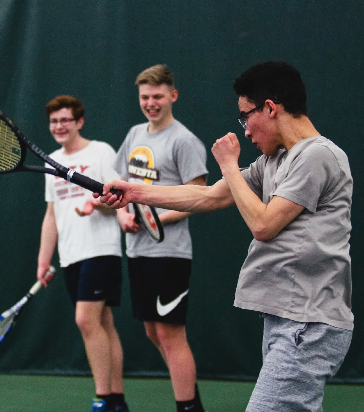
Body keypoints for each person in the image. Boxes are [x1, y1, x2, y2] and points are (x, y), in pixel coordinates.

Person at [99, 61, 354, 412]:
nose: (246, 132)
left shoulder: (317, 156)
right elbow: (209, 196)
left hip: (308, 323)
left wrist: (230, 165)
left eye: (245, 116)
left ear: (270, 107)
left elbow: (263, 225)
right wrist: (135, 192)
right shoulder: (274, 161)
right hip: (285, 318)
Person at [113, 64, 208, 412]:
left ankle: (187, 408)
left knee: (170, 335)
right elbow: (121, 185)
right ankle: (191, 400)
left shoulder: (184, 140)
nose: (151, 103)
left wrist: (156, 219)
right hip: (138, 253)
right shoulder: (135, 134)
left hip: (170, 254)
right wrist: (125, 215)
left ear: (173, 96)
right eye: (145, 97)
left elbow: (199, 196)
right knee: (154, 333)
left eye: (157, 96)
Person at [36, 95, 130, 412]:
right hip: (71, 256)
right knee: (103, 324)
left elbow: (119, 196)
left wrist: (96, 203)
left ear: (79, 122)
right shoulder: (51, 162)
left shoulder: (101, 152)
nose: (59, 126)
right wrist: (43, 260)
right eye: (53, 121)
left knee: (85, 321)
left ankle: (102, 399)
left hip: (101, 251)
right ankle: (117, 402)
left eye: (65, 120)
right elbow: (52, 215)